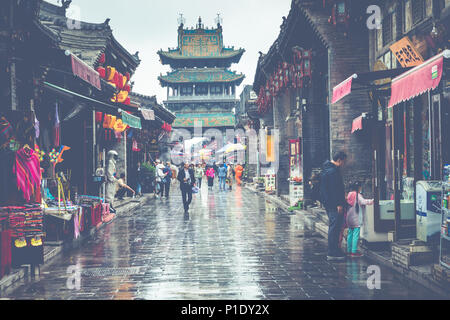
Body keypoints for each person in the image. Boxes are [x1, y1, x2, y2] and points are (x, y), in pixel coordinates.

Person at [319, 151, 348, 261]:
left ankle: (335, 249)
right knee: (334, 227)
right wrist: (339, 204)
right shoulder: (332, 172)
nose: (344, 164)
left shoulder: (328, 169)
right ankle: (332, 251)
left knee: (335, 226)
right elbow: (334, 190)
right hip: (334, 205)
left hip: (330, 203)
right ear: (339, 160)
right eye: (344, 161)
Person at [346, 181, 373, 257]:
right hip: (356, 217)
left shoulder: (349, 194)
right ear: (358, 188)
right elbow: (363, 202)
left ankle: (348, 250)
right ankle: (354, 251)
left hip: (349, 217)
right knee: (355, 235)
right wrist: (373, 201)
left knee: (350, 234)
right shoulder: (358, 195)